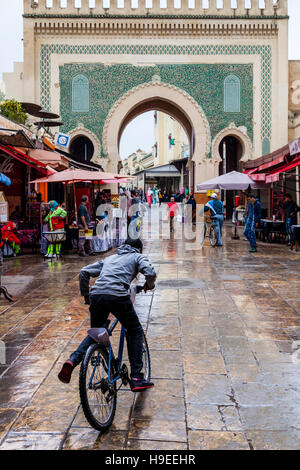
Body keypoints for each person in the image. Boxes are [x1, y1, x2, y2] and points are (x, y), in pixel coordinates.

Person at [58, 237, 156, 392]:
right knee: (135, 330)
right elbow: (150, 272)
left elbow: (84, 272)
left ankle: (73, 360)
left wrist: (86, 296)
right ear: (139, 249)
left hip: (96, 295)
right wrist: (149, 285)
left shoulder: (110, 258)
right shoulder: (137, 256)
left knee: (97, 332)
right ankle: (136, 377)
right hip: (118, 296)